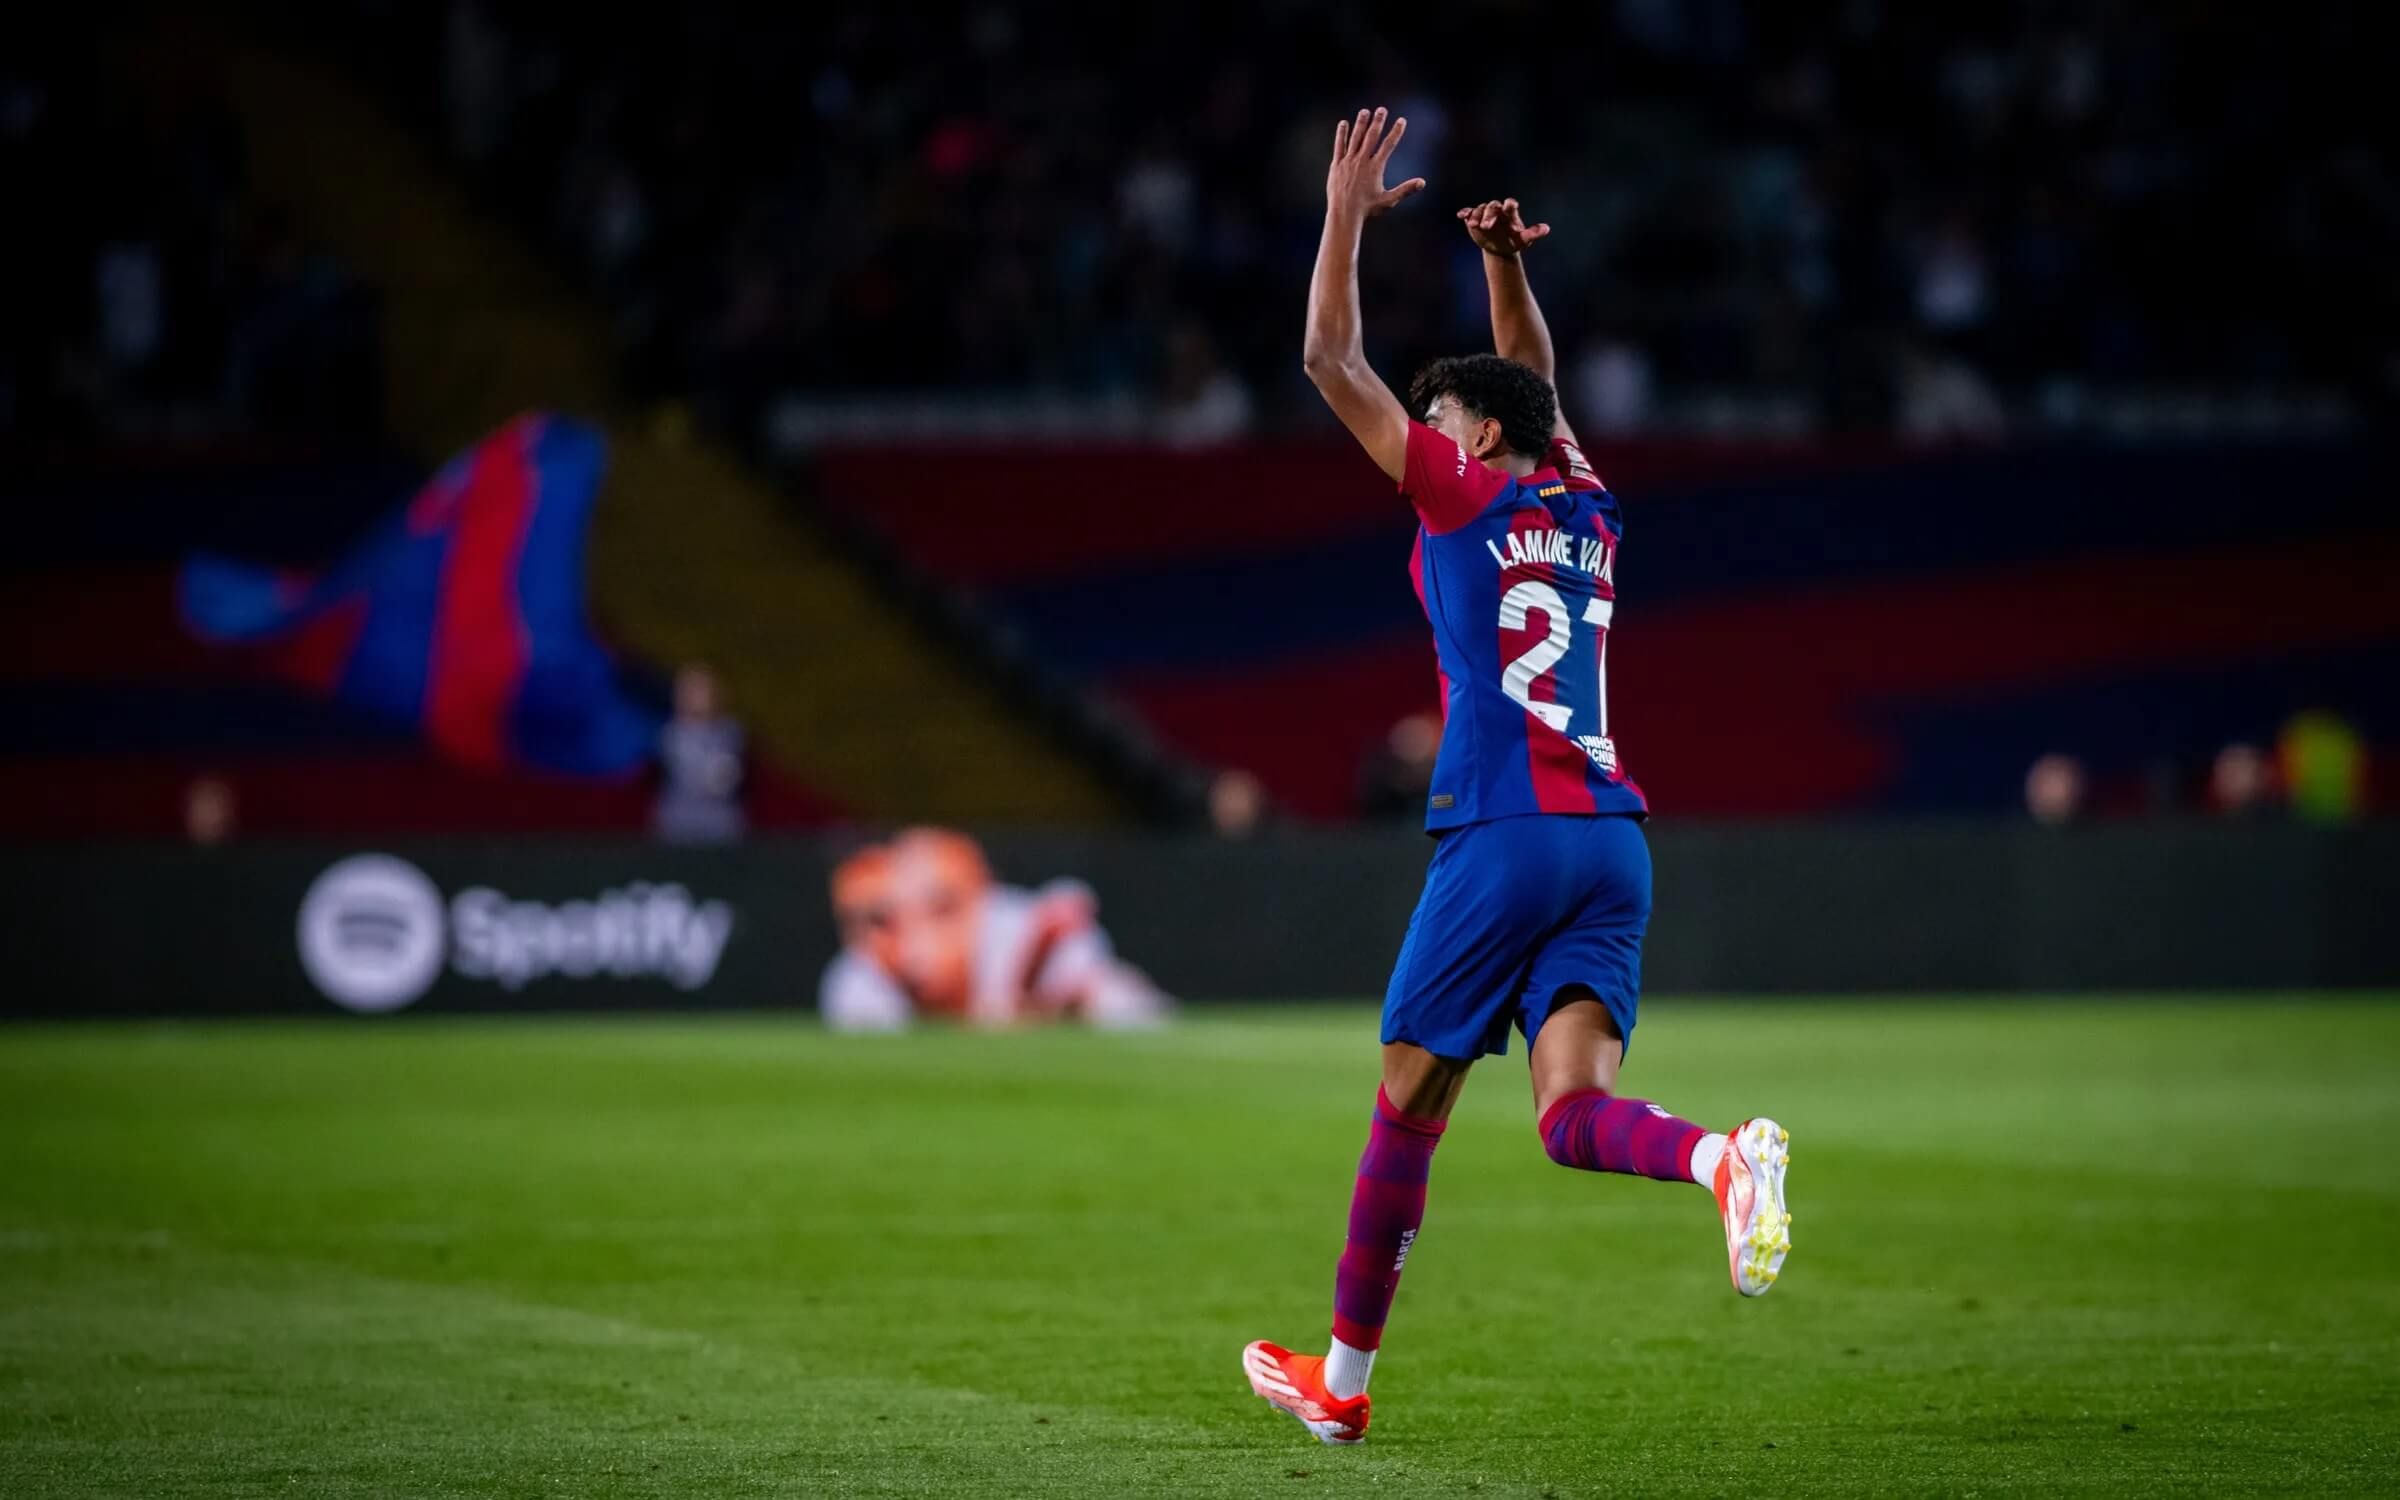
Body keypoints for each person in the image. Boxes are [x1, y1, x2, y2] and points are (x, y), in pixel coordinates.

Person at [1241, 109, 1792, 1448]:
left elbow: (1326, 357)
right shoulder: (1590, 508)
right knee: (1567, 1114)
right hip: (1612, 839)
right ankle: (1723, 1160)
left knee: (1409, 1103)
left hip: (1504, 834)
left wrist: (1341, 208)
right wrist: (1501, 272)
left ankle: (1346, 1389)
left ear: (1474, 441)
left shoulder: (1464, 497)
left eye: (1438, 416)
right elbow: (1537, 395)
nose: (1418, 433)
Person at [817, 827, 1171, 1031]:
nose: (919, 927)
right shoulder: (861, 972)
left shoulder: (1013, 925)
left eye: (942, 905)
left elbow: (1099, 994)